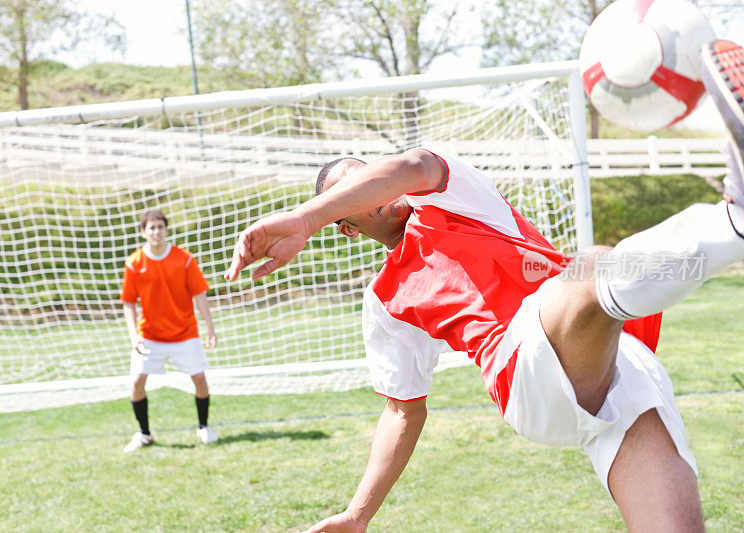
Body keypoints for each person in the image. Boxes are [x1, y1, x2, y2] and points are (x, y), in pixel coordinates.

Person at [225, 39, 744, 531]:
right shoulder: (383, 301)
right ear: (346, 226)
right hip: (525, 375)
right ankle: (736, 216)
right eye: (349, 193)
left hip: (619, 364)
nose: (372, 187)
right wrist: (358, 514)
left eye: (369, 176)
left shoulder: (451, 195)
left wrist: (308, 217)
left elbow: (411, 165)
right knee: (593, 268)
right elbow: (403, 408)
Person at [120, 209, 219, 453]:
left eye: (160, 227)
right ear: (143, 232)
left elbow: (199, 294)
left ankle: (204, 427)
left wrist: (210, 327)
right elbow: (128, 303)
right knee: (136, 382)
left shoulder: (184, 259)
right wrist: (134, 336)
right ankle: (144, 434)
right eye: (151, 228)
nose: (156, 232)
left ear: (166, 230)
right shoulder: (134, 264)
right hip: (150, 336)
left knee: (200, 379)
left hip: (185, 332)